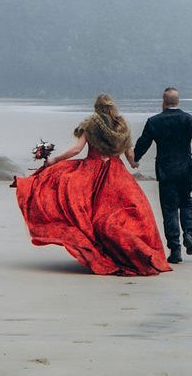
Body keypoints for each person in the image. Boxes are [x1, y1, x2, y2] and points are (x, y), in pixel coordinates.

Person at [12, 94, 170, 276]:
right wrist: (134, 164)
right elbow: (130, 155)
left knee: (80, 209)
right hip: (115, 173)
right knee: (125, 212)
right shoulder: (121, 126)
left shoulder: (90, 125)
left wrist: (54, 159)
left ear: (97, 108)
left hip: (90, 172)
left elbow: (76, 149)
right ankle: (135, 251)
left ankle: (98, 249)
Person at [132, 86, 192, 264]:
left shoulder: (154, 121)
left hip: (166, 171)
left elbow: (143, 142)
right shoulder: (189, 119)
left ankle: (175, 249)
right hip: (186, 170)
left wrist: (135, 159)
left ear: (163, 102)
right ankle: (189, 234)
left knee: (169, 209)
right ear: (177, 101)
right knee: (187, 202)